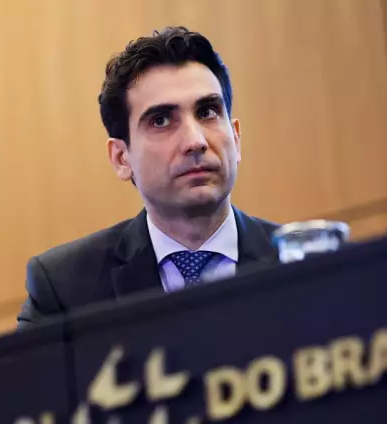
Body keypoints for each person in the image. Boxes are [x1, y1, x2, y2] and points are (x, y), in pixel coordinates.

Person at [16, 26, 280, 330]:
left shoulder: (307, 262)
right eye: (161, 120)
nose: (195, 141)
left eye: (207, 111)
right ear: (121, 158)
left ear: (236, 137)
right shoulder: (64, 289)